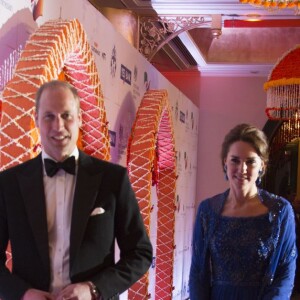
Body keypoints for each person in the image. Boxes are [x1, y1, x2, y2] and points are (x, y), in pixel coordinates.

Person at [0, 80, 153, 300]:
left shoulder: (113, 179)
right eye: (49, 116)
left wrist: (94, 288)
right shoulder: (8, 184)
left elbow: (140, 253)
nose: (58, 126)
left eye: (66, 115)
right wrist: (23, 294)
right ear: (36, 120)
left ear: (80, 118)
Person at [189, 123, 297, 300]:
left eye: (250, 161)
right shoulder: (207, 211)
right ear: (225, 162)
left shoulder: (281, 211)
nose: (242, 169)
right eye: (235, 160)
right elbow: (198, 273)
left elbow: (285, 274)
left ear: (262, 165)